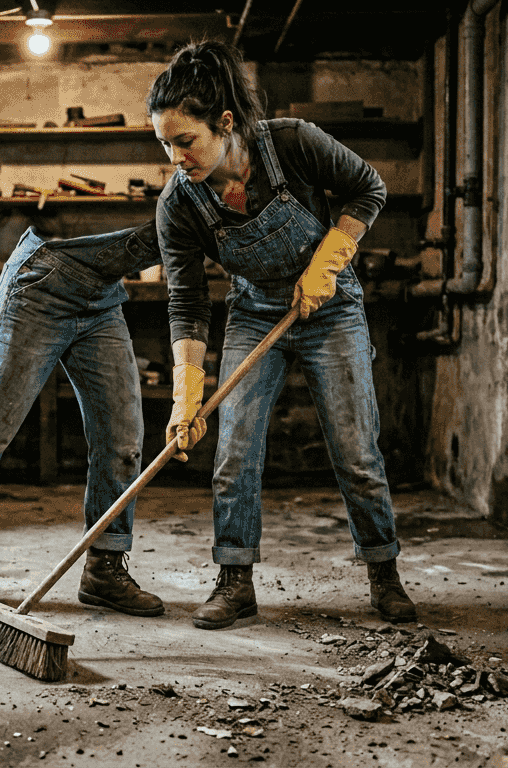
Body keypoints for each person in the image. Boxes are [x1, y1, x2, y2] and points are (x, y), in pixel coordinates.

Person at [146, 40, 417, 629]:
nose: (175, 157)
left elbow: (368, 188)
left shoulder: (292, 143)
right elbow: (187, 301)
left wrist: (327, 264)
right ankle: (235, 580)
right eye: (164, 144)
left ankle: (384, 573)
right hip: (256, 313)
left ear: (224, 124)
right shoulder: (179, 204)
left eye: (184, 141)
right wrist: (186, 394)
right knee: (234, 451)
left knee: (355, 450)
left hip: (332, 310)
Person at [0, 222, 170, 618]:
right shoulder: (185, 183)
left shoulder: (222, 198)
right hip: (40, 287)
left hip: (102, 300)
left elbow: (189, 291)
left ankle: (104, 570)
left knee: (123, 442)